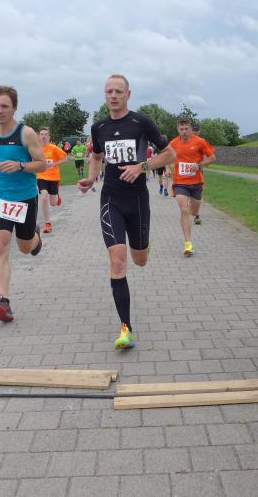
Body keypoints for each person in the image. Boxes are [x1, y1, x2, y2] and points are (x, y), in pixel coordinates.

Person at [77, 74, 176, 350]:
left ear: (128, 94)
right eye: (109, 91)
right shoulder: (99, 127)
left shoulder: (141, 122)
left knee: (139, 259)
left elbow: (170, 155)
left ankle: (144, 244)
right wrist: (91, 178)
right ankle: (125, 328)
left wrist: (141, 167)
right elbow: (97, 156)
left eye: (118, 91)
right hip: (111, 199)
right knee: (118, 261)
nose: (113, 95)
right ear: (105, 94)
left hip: (138, 200)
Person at [0, 85, 47, 322]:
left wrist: (20, 165)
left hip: (24, 198)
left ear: (14, 108)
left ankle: (35, 237)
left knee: (25, 248)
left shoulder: (26, 134)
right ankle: (3, 301)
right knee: (0, 245)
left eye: (5, 106)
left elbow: (42, 164)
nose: (0, 110)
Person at [169, 118, 216, 256]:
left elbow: (212, 158)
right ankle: (188, 244)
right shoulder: (173, 143)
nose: (184, 131)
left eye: (186, 129)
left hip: (196, 183)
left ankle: (195, 214)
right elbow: (166, 156)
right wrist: (166, 168)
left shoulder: (200, 142)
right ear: (178, 130)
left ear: (191, 129)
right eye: (181, 129)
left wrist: (200, 165)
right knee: (184, 209)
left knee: (194, 210)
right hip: (180, 182)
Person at [37, 127, 68, 233]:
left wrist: (53, 164)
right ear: (39, 136)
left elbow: (65, 159)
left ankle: (57, 197)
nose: (44, 136)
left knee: (53, 203)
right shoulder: (36, 149)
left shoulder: (54, 148)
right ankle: (47, 223)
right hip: (41, 177)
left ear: (49, 137)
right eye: (42, 134)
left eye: (46, 134)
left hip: (54, 177)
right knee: (44, 197)